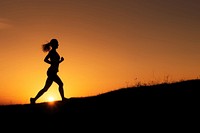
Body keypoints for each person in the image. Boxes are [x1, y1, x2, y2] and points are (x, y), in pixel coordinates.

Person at [30, 38, 67, 104]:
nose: (58, 45)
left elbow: (55, 62)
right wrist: (51, 63)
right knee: (60, 84)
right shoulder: (52, 52)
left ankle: (33, 99)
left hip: (52, 72)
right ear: (54, 45)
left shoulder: (54, 52)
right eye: (57, 44)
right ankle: (63, 98)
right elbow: (45, 59)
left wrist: (60, 61)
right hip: (51, 72)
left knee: (46, 88)